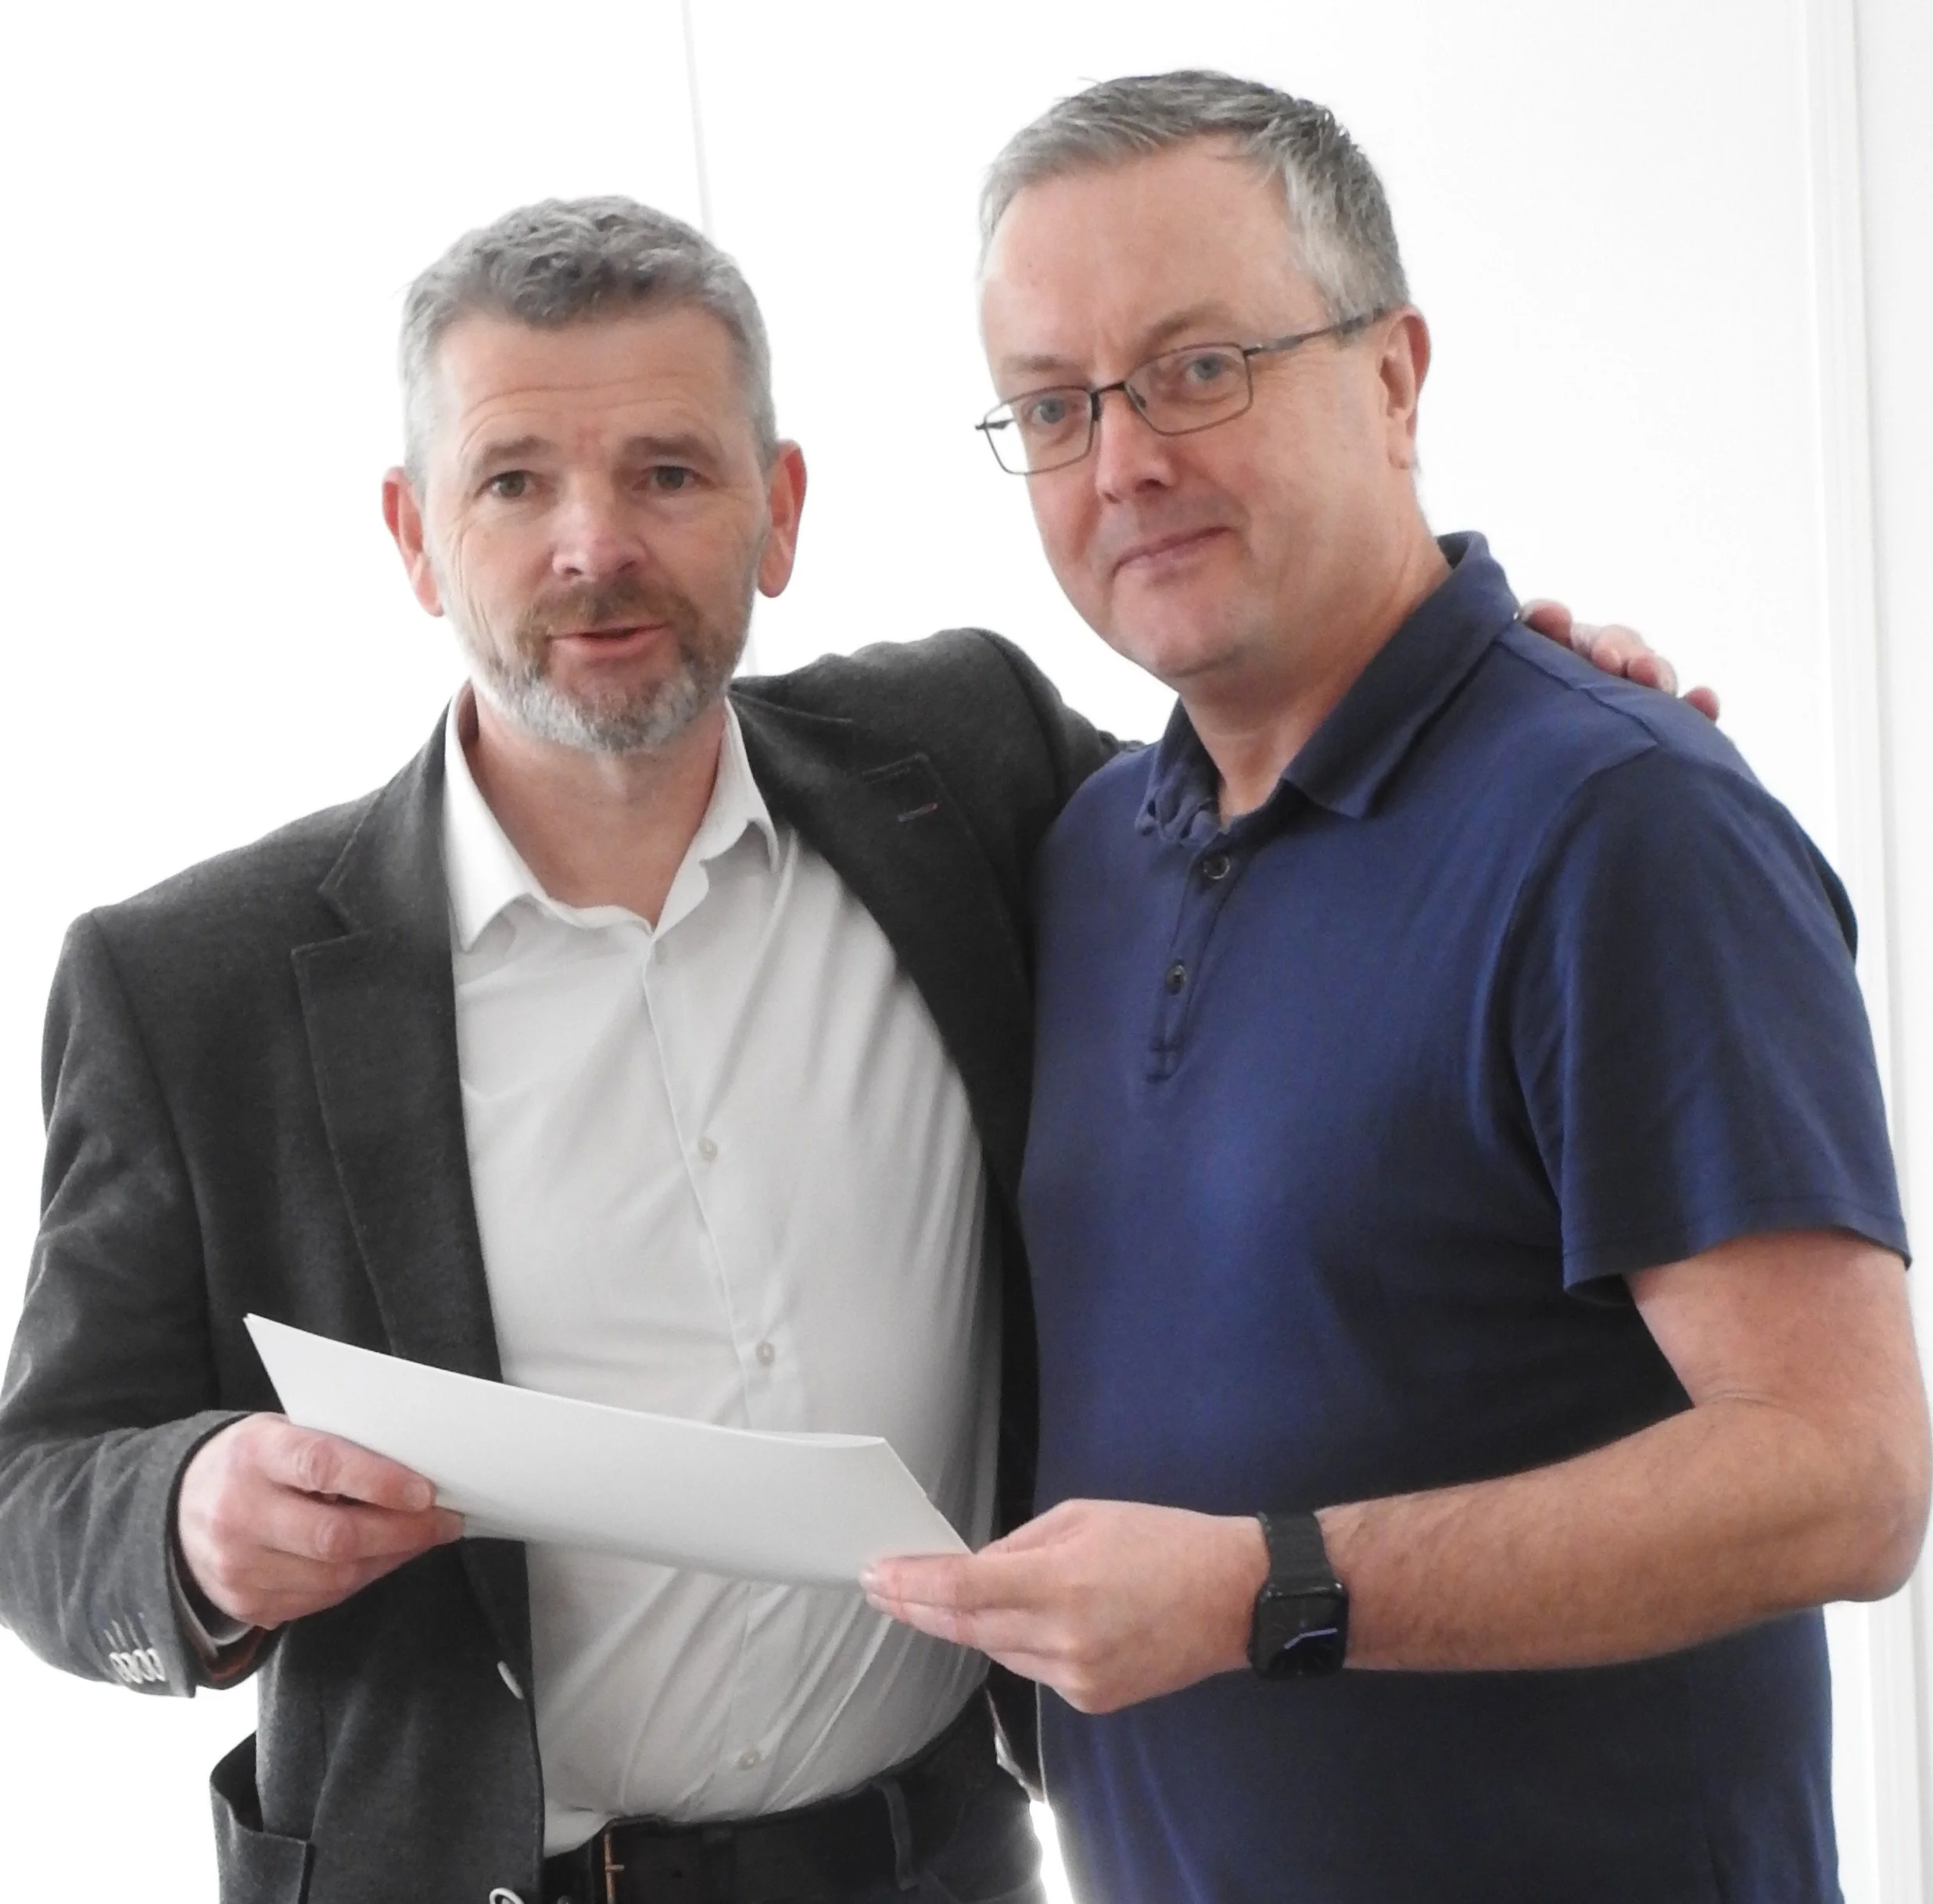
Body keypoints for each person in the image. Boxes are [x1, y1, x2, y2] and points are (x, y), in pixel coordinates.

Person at [0, 195, 1676, 1902]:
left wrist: (1507, 713)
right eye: (513, 482)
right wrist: (188, 1518)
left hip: (937, 1856)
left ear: (779, 509)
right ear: (414, 534)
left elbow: (1276, 835)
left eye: (668, 472)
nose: (594, 545)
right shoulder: (189, 983)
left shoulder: (961, 765)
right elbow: (36, 1486)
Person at [862, 71, 1931, 1904]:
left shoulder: (1626, 823)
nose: (1123, 462)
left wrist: (1259, 1586)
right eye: (1053, 405)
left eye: (1199, 368)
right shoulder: (1089, 847)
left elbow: (1845, 1475)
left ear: (1392, 373)